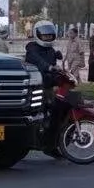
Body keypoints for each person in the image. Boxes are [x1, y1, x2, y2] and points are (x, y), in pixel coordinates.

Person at [25, 19, 72, 156]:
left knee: (58, 112)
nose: (47, 37)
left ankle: (52, 143)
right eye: (44, 35)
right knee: (44, 113)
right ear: (37, 34)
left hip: (49, 85)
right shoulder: (31, 48)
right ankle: (47, 144)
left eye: (49, 35)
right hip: (36, 87)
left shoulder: (51, 50)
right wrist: (49, 67)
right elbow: (37, 61)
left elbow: (54, 66)